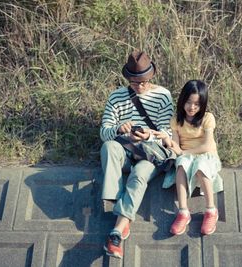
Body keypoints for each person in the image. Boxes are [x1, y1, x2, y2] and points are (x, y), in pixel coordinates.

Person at [100, 50, 174, 259]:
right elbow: (104, 133)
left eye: (144, 82)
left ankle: (117, 231)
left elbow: (167, 134)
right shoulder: (116, 96)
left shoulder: (163, 95)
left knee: (140, 175)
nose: (140, 86)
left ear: (152, 77)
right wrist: (119, 129)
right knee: (109, 147)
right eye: (134, 82)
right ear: (128, 79)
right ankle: (114, 199)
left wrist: (148, 136)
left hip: (149, 153)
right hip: (123, 151)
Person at [153, 80, 223, 236]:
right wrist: (168, 141)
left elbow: (206, 145)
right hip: (187, 156)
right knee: (181, 164)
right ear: (182, 100)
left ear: (202, 105)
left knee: (199, 164)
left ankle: (211, 210)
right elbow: (177, 149)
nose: (192, 107)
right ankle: (183, 212)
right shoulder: (176, 120)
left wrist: (185, 152)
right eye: (189, 102)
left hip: (207, 156)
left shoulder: (207, 118)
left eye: (197, 104)